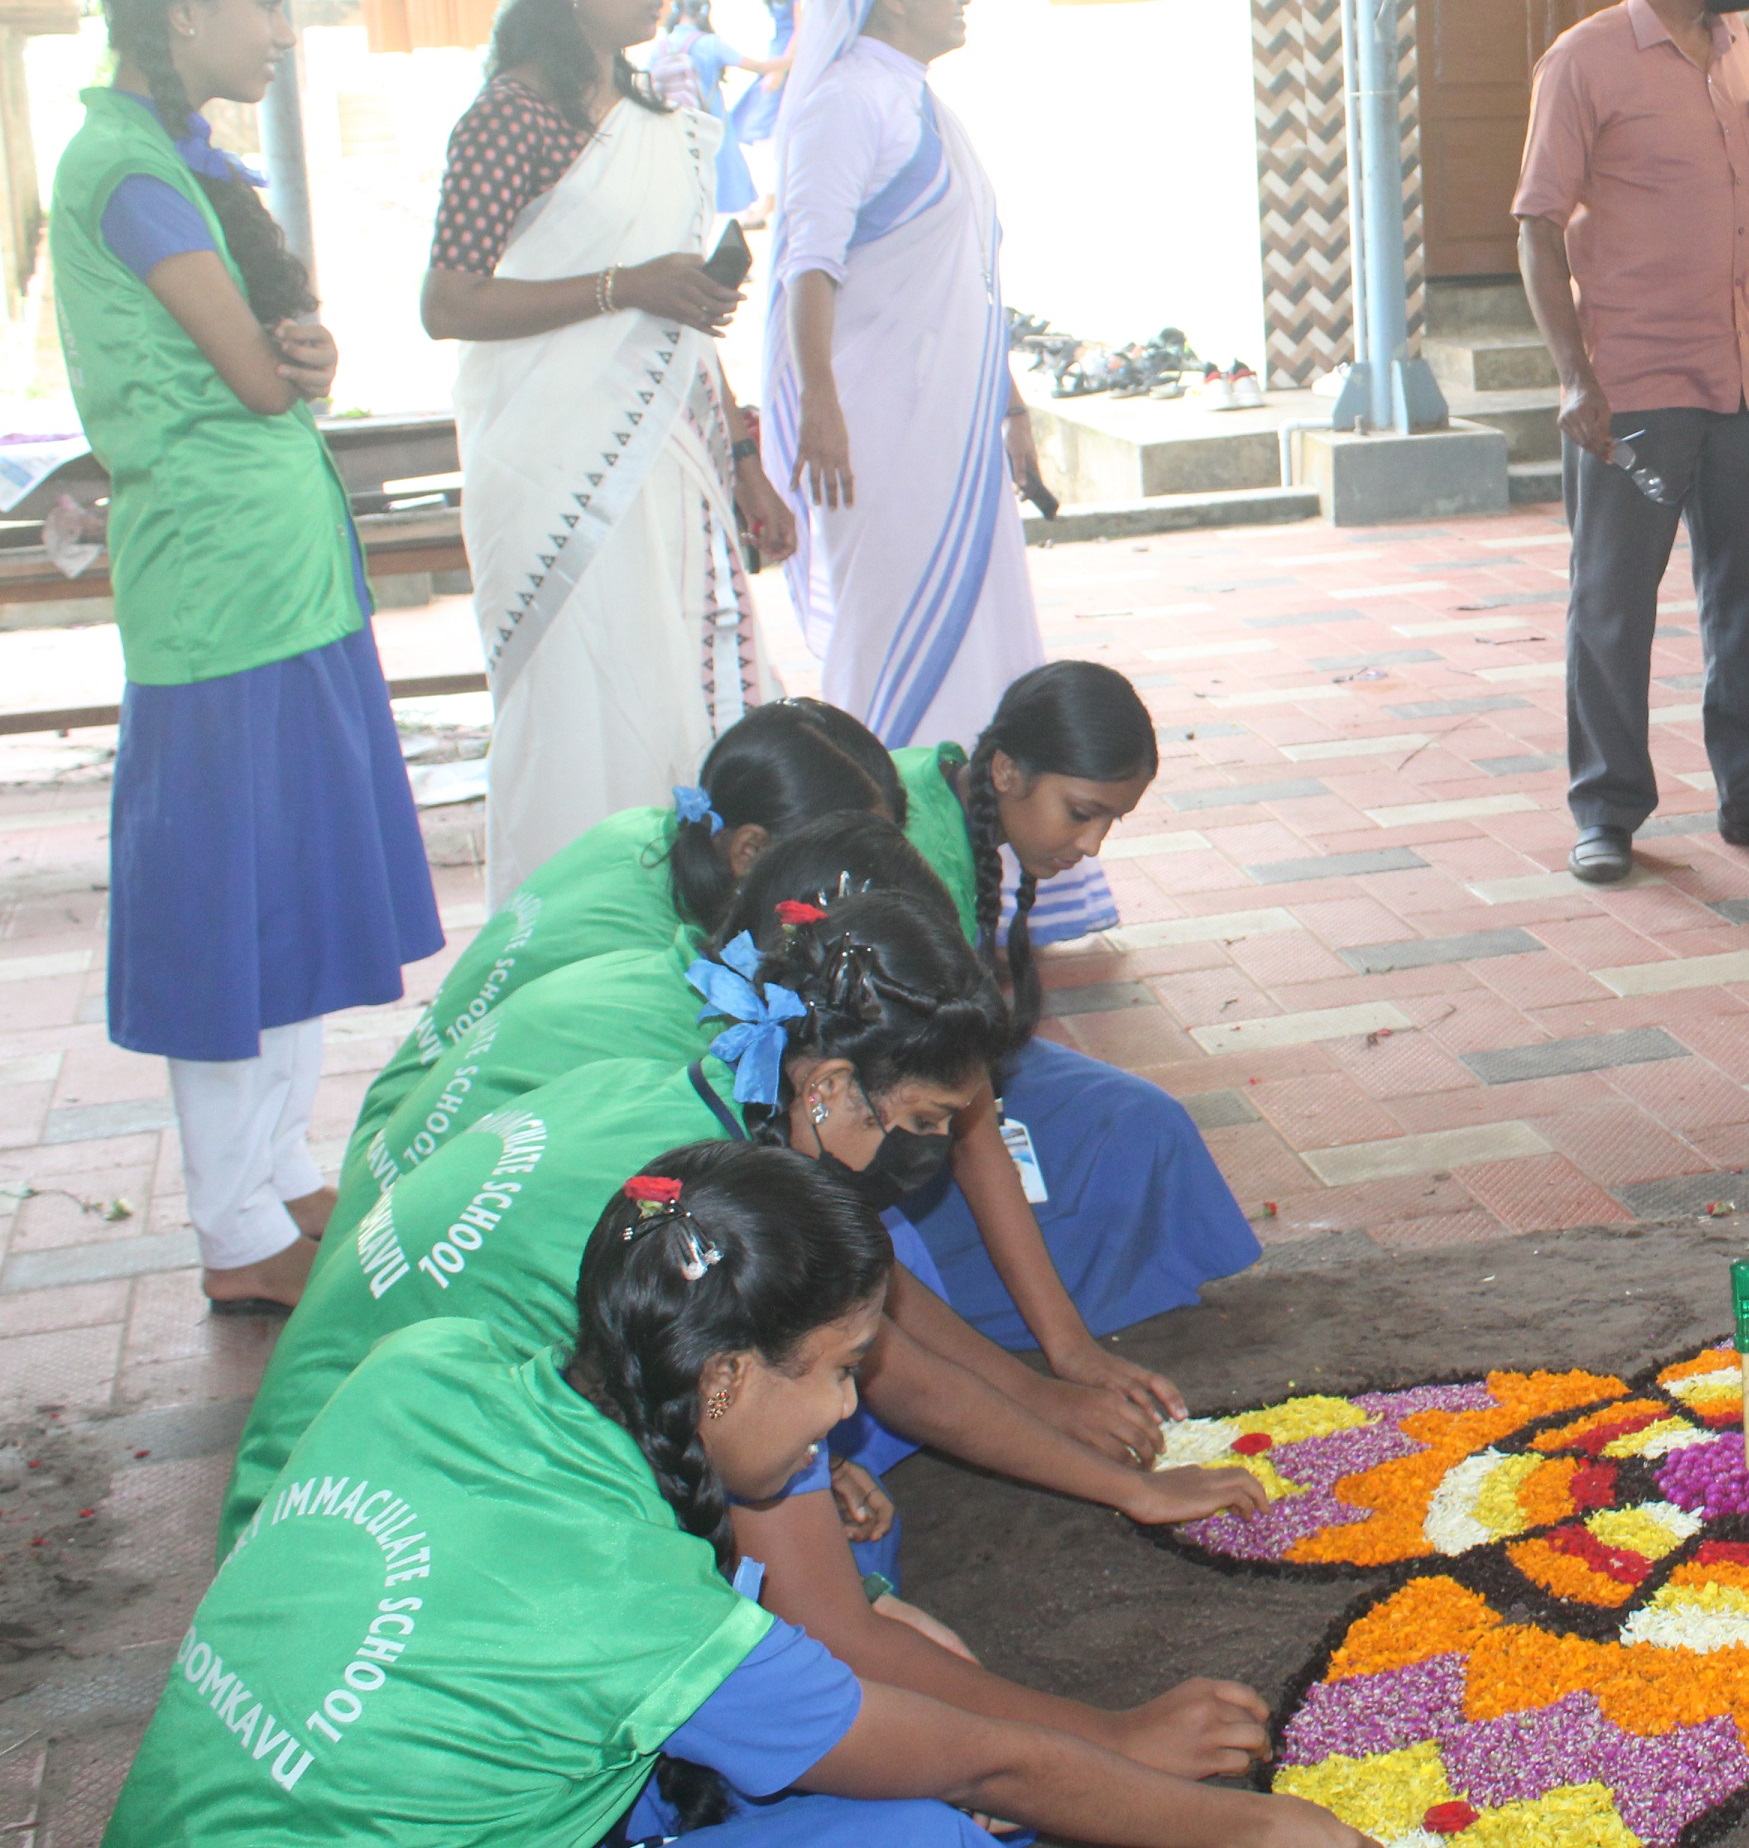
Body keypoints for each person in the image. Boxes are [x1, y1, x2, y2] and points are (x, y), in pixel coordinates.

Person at [117, 1143, 1353, 1848]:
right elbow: (993, 1770)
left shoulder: (433, 1362)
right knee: (918, 1830)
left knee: (831, 1657)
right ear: (720, 1380)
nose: (847, 1412)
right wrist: (1251, 1831)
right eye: (839, 1372)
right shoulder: (633, 1613)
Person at [220, 876, 1259, 1557]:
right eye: (926, 1123)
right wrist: (1127, 1488)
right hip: (342, 1511)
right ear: (833, 1088)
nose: (939, 1153)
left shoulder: (723, 1091)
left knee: (802, 1463)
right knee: (817, 1566)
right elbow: (904, 1379)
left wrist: (1040, 1393)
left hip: (347, 1440)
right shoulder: (711, 1196)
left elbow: (874, 1303)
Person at [49, 0, 444, 1316]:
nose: (282, 30)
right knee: (225, 915)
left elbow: (280, 362)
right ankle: (232, 1225)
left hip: (278, 588)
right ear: (182, 11)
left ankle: (277, 1176)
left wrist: (305, 353)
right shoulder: (127, 171)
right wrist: (292, 362)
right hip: (220, 606)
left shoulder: (178, 161)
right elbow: (255, 376)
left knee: (282, 896)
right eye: (265, 2)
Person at [428, 0, 797, 903]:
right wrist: (621, 287)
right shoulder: (508, 120)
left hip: (668, 460)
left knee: (676, 699)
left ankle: (683, 936)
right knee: (578, 708)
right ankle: (569, 936)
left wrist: (742, 460)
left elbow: (683, 319)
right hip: (557, 471)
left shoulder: (657, 122)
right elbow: (448, 300)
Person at [764, 0, 1093, 924]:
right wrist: (821, 404)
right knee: (888, 647)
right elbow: (809, 262)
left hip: (954, 433)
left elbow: (972, 285)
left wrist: (1010, 404)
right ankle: (880, 891)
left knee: (986, 648)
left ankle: (977, 884)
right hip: (877, 435)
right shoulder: (844, 102)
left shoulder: (921, 103)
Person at [1513, 0, 1749, 887]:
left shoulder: (1733, 44)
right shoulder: (1586, 61)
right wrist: (1576, 378)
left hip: (1745, 379)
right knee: (1613, 606)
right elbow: (1536, 225)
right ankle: (1606, 809)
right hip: (1637, 388)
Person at [886, 662, 1264, 1356]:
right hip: (856, 1090)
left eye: (1111, 821)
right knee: (1047, 1211)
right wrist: (1069, 1351)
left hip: (924, 1058)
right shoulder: (918, 866)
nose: (1092, 846)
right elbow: (969, 1136)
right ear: (1005, 771)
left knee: (1145, 1125)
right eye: (1083, 814)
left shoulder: (946, 780)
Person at [348, 697, 899, 1154]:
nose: (851, 901)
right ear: (751, 850)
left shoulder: (644, 835)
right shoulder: (677, 985)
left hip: (398, 1138)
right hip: (431, 1169)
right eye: (843, 878)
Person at [649, 0, 785, 218]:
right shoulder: (710, 43)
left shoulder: (661, 46)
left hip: (674, 123)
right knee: (721, 178)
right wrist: (792, 59)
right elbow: (758, 67)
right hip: (711, 120)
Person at [734, 0, 801, 214]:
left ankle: (771, 197)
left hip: (787, 56)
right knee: (750, 121)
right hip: (776, 52)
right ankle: (770, 195)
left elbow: (801, 27)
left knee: (761, 125)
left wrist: (780, 68)